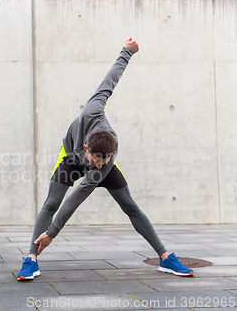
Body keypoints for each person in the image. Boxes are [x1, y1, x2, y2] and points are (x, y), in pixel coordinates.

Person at [17, 37, 194, 280]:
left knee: (130, 205)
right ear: (87, 146)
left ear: (110, 154)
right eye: (96, 159)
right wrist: (126, 52)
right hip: (70, 157)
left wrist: (53, 233)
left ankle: (165, 258)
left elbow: (77, 198)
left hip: (95, 161)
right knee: (51, 204)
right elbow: (110, 80)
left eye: (104, 160)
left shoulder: (104, 163)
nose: (97, 165)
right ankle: (31, 259)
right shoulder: (92, 109)